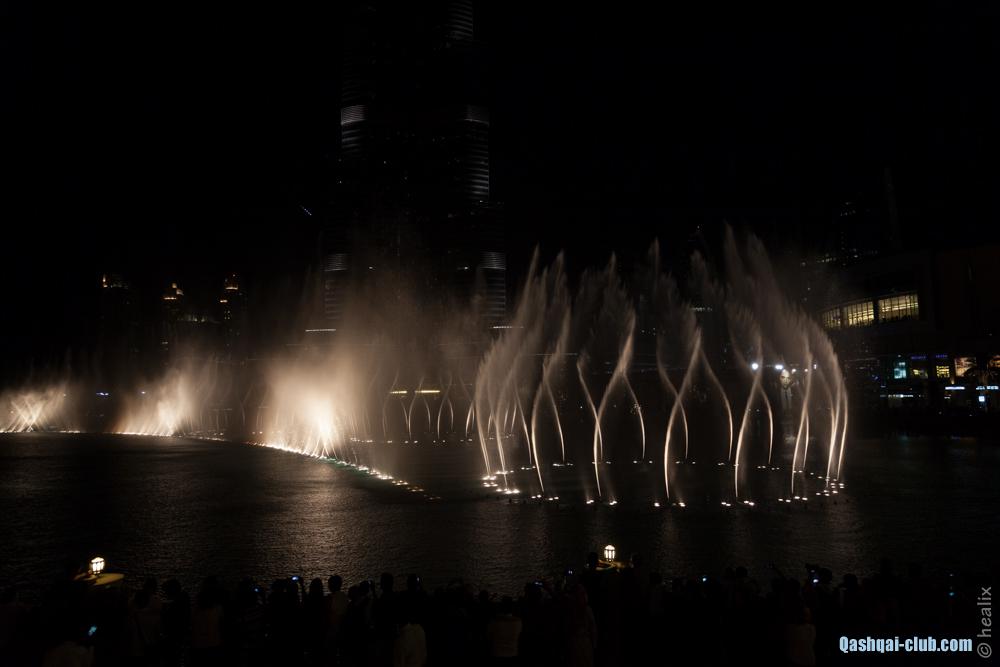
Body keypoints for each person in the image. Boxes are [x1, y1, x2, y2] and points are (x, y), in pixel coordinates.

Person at [486, 596, 522, 665]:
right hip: (513, 653)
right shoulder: (518, 622)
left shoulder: (494, 621)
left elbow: (488, 637)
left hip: (496, 653)